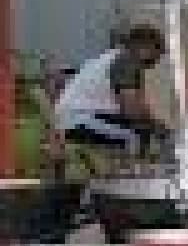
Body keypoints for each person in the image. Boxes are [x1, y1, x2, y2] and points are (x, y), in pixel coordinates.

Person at [54, 25, 167, 153]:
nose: (156, 61)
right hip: (78, 120)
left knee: (142, 130)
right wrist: (156, 127)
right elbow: (130, 108)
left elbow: (137, 106)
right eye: (157, 54)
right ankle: (132, 171)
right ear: (144, 47)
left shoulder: (114, 58)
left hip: (81, 116)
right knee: (135, 137)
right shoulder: (125, 63)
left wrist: (153, 123)